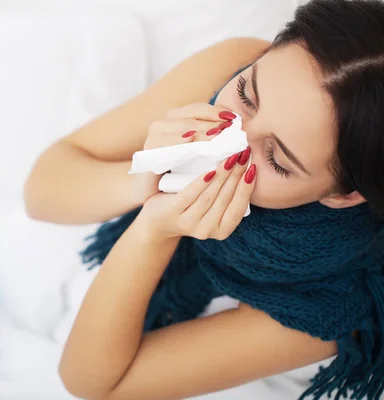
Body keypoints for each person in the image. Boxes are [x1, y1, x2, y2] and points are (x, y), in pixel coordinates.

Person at [24, 0, 384, 399]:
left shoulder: (336, 298)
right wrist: (147, 180)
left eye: (276, 159)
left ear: (345, 195)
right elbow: (41, 191)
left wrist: (154, 231)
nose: (230, 141)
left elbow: (92, 384)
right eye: (247, 95)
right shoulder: (235, 61)